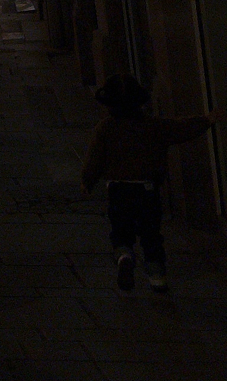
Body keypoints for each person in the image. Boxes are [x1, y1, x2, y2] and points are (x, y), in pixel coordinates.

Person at [81, 73, 214, 293]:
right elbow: (180, 129)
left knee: (121, 230)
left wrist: (87, 180)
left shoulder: (105, 128)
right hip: (147, 189)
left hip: (118, 188)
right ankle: (157, 277)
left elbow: (95, 158)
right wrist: (207, 120)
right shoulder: (153, 126)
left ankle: (124, 256)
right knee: (151, 234)